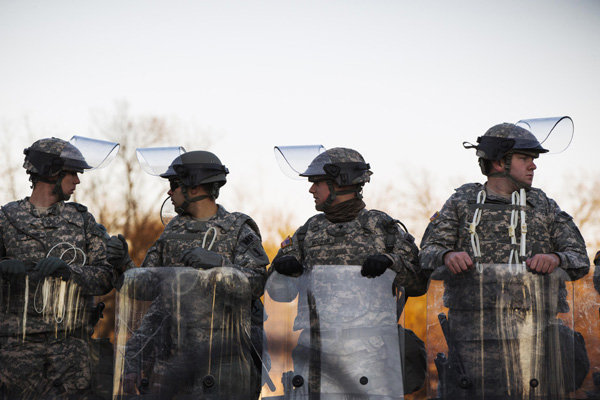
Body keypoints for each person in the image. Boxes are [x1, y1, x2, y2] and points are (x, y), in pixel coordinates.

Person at [420, 122, 590, 399]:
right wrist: (447, 255)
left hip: (534, 334)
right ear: (499, 162)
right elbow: (426, 253)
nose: (533, 166)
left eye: (533, 160)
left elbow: (579, 259)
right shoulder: (462, 202)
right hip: (472, 336)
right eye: (525, 159)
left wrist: (556, 258)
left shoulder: (543, 204)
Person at [108, 150, 269, 399]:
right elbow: (148, 289)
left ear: (194, 187)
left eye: (174, 185)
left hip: (222, 363)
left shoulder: (237, 228)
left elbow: (257, 282)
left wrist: (221, 264)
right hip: (171, 363)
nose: (169, 192)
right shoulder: (173, 230)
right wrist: (123, 263)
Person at [267, 147, 427, 397]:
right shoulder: (308, 232)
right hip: (316, 357)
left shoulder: (384, 229)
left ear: (341, 182)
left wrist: (390, 262)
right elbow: (278, 294)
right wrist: (282, 271)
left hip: (372, 356)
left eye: (317, 183)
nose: (311, 190)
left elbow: (419, 282)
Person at [0, 137, 115, 399]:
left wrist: (70, 273)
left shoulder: (83, 220)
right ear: (51, 173)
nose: (77, 181)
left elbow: (107, 275)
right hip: (16, 351)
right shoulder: (6, 218)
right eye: (72, 173)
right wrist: (4, 268)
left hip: (71, 350)